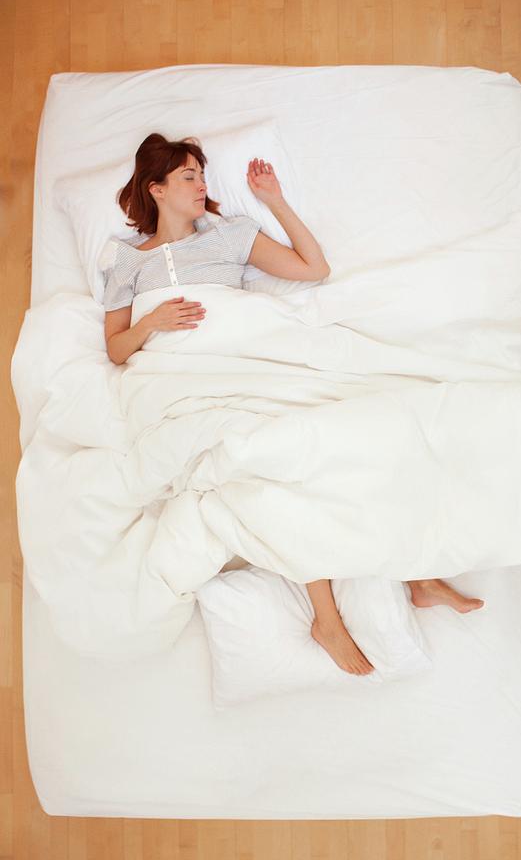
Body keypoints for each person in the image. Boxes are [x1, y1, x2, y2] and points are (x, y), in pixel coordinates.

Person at [101, 132, 484, 680]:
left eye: (203, 176)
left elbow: (314, 269)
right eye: (189, 176)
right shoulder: (127, 261)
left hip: (251, 365)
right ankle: (333, 613)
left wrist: (274, 200)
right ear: (155, 188)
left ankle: (414, 574)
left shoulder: (228, 236)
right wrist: (149, 324)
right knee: (279, 467)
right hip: (185, 384)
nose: (201, 185)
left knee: (343, 444)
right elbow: (115, 349)